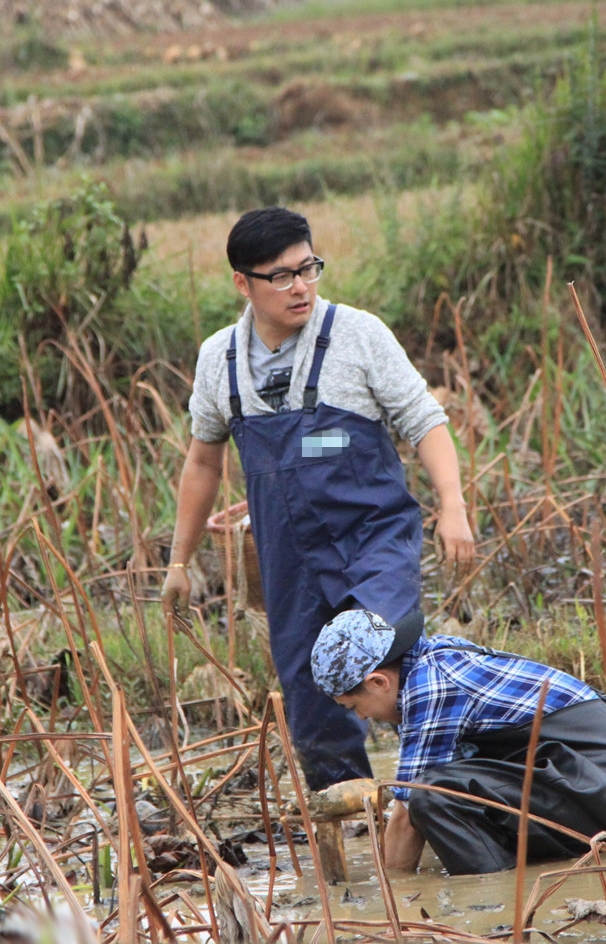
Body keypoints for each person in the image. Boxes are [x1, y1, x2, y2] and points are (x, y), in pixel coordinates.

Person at [161, 207, 475, 791]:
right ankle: (351, 836)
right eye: (281, 276)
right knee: (311, 694)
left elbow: (425, 421)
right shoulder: (218, 360)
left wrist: (452, 506)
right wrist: (179, 564)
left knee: (381, 655)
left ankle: (444, 794)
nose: (300, 286)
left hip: (374, 542)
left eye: (308, 268)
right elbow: (204, 459)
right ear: (243, 284)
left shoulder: (358, 336)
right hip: (290, 564)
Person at [311, 610, 606, 875]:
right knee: (438, 795)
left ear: (377, 682)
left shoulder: (432, 686)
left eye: (354, 706)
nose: (360, 718)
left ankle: (495, 899)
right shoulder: (432, 657)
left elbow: (406, 812)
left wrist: (390, 894)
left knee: (432, 796)